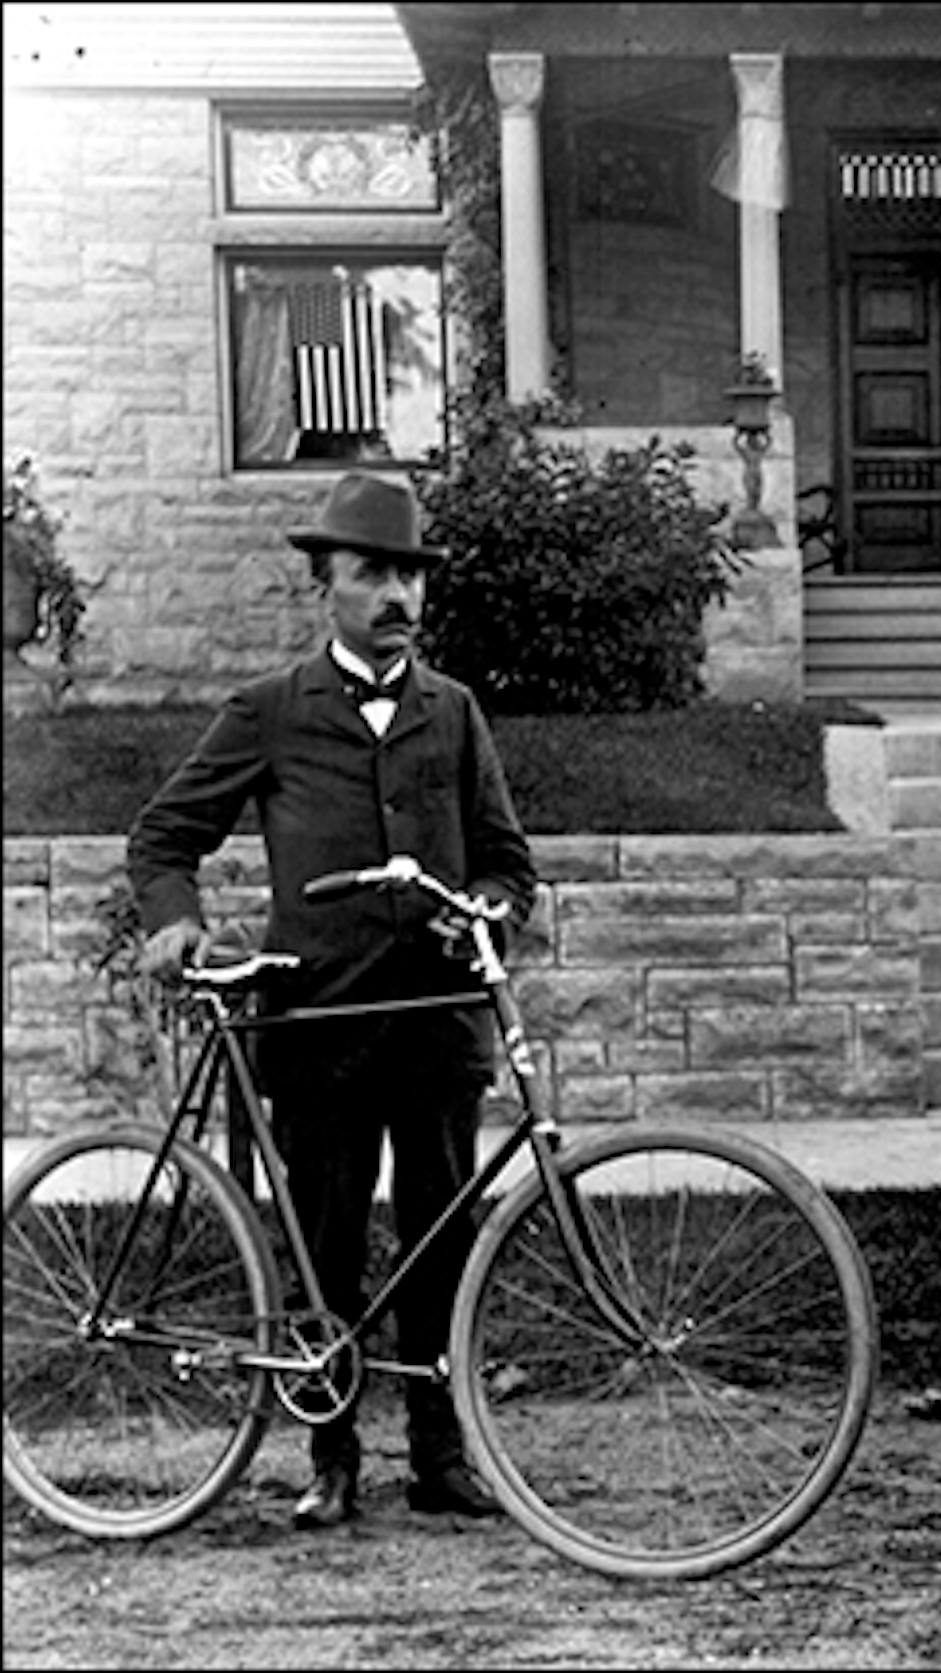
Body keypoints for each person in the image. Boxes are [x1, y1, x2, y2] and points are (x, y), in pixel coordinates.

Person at [127, 470, 538, 1531]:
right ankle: (333, 1453)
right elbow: (164, 836)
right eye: (371, 574)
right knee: (327, 1238)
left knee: (444, 1238)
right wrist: (172, 917)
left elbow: (506, 862)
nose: (395, 594)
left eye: (408, 573)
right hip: (321, 1025)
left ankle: (443, 1454)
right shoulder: (271, 710)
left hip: (439, 1023)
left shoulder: (453, 712)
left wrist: (484, 910)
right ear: (329, 588)